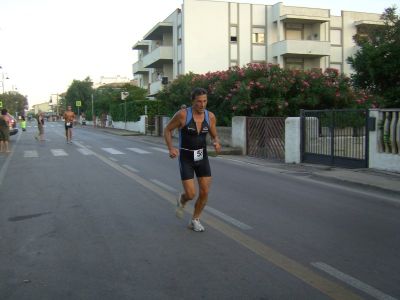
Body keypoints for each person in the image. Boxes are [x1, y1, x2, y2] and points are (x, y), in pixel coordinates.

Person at [164, 87, 221, 232]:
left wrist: (216, 142)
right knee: (190, 194)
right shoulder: (183, 115)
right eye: (198, 102)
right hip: (186, 157)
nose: (202, 105)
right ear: (192, 102)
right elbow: (167, 129)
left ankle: (195, 219)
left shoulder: (211, 117)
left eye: (205, 101)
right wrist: (171, 148)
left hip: (202, 156)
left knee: (205, 192)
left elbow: (214, 134)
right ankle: (182, 200)